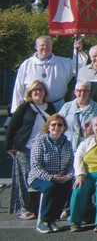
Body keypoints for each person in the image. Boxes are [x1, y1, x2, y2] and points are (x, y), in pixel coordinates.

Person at [6, 80, 56, 220]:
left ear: (44, 92)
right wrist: (9, 146)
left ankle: (39, 206)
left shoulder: (50, 107)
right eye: (35, 90)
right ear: (30, 93)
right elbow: (12, 126)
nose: (38, 92)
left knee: (42, 177)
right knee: (26, 179)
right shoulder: (25, 107)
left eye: (40, 90)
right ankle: (26, 208)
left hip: (44, 149)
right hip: (25, 148)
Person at [11, 35, 86, 113]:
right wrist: (17, 111)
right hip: (33, 108)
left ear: (52, 46)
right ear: (36, 47)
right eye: (42, 45)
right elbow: (18, 89)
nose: (45, 48)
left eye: (48, 45)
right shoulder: (27, 65)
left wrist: (78, 51)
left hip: (57, 107)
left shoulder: (63, 62)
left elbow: (79, 67)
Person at [28, 114, 74, 234]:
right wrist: (51, 177)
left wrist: (68, 176)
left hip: (60, 177)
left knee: (68, 186)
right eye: (53, 125)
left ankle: (53, 219)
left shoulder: (67, 143)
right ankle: (43, 221)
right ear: (48, 127)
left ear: (64, 127)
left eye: (60, 125)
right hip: (39, 177)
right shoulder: (41, 142)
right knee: (51, 186)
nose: (56, 127)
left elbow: (70, 163)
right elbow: (35, 166)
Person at [58, 80, 97, 151]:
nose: (82, 93)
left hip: (87, 147)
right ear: (75, 92)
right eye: (79, 90)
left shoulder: (96, 108)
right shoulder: (66, 106)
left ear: (89, 92)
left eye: (85, 91)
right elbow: (58, 124)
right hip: (67, 147)